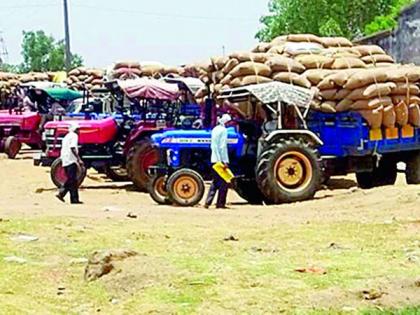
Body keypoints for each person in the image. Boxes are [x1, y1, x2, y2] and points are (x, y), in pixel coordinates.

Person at [204, 113, 232, 209]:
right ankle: (220, 203)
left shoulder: (215, 130)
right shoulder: (223, 131)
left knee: (215, 182)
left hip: (214, 158)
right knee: (224, 181)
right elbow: (222, 146)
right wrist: (225, 161)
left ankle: (208, 202)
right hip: (220, 160)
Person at [56, 122, 83, 204]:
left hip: (65, 159)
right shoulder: (74, 136)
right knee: (72, 180)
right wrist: (78, 159)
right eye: (78, 129)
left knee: (72, 180)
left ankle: (72, 198)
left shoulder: (67, 136)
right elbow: (72, 147)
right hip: (71, 159)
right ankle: (63, 194)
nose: (79, 131)